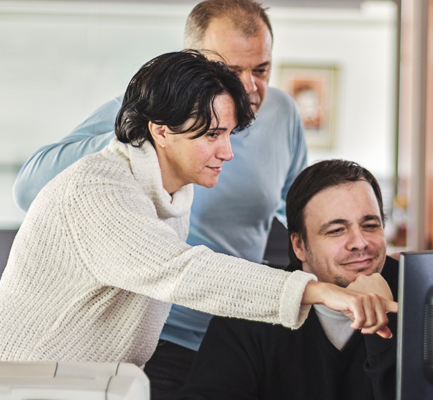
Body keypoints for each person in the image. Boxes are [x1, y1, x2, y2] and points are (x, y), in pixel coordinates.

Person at [0, 50, 396, 378]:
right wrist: (319, 290)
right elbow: (183, 271)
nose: (227, 152)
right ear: (161, 131)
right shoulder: (98, 189)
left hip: (91, 382)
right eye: (211, 135)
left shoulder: (171, 193)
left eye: (228, 133)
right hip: (31, 383)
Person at [12, 0, 307, 397]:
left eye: (261, 70)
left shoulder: (283, 114)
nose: (248, 87)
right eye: (230, 71)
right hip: (158, 332)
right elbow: (29, 188)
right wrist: (150, 133)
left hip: (238, 322)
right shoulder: (145, 121)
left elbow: (300, 209)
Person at [177, 159, 398, 400]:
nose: (360, 242)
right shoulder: (247, 314)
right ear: (299, 245)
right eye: (336, 230)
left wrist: (381, 331)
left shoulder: (427, 298)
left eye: (370, 225)